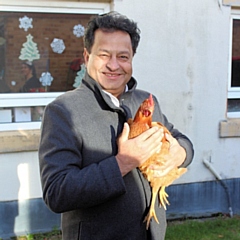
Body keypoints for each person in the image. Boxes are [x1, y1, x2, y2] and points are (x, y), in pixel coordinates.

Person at [39, 12, 194, 240]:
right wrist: (123, 163)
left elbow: (182, 140)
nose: (113, 65)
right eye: (104, 55)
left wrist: (179, 153)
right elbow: (57, 192)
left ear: (132, 59)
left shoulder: (145, 102)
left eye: (123, 56)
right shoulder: (63, 111)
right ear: (86, 56)